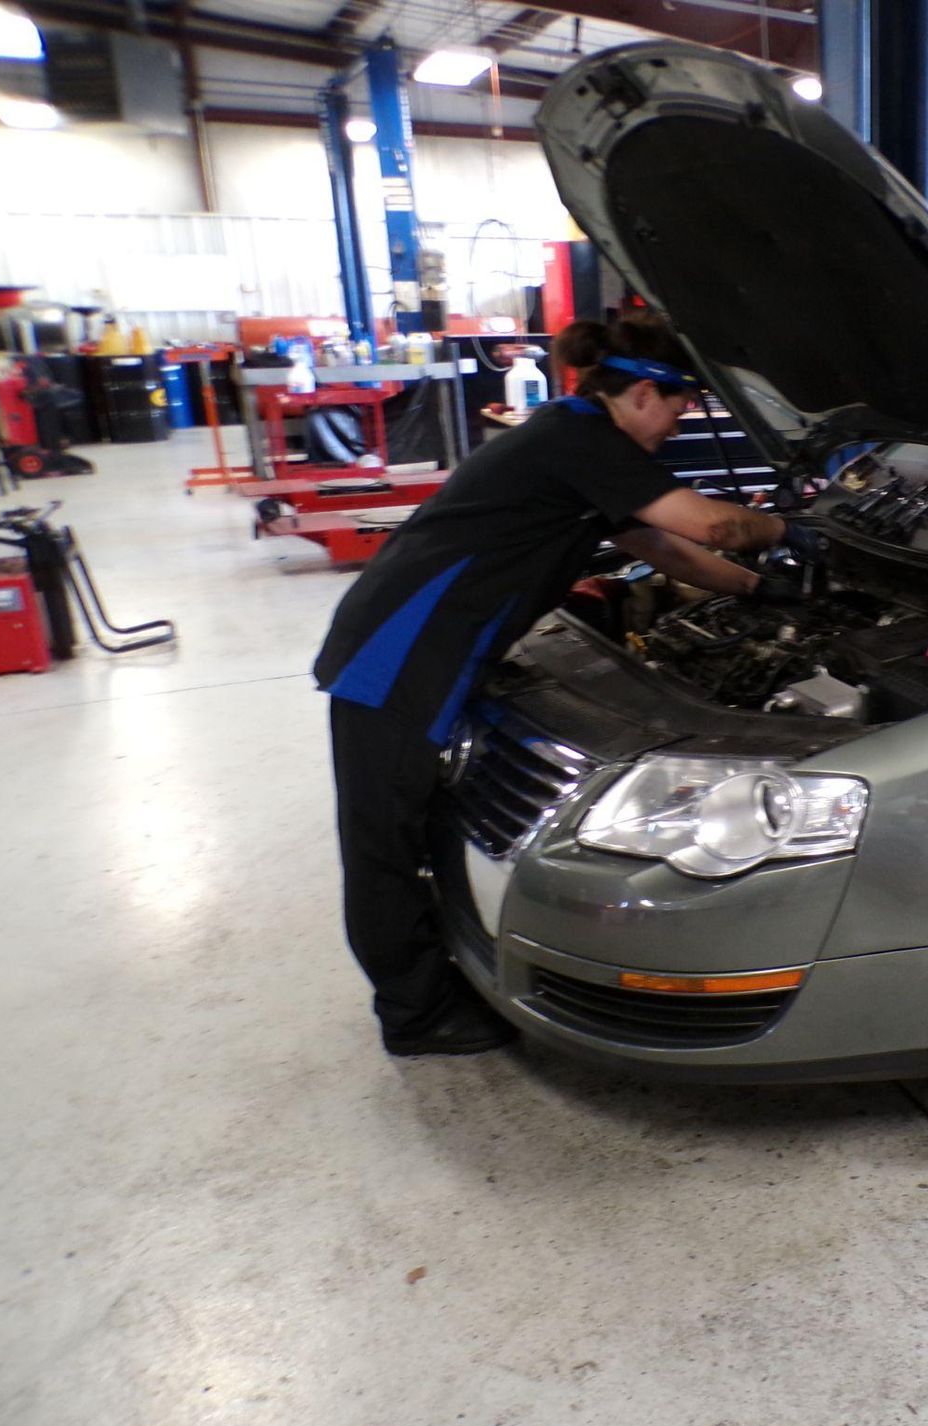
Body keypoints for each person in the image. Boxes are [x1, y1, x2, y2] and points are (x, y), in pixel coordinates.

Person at [315, 313, 810, 1056]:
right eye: (681, 406)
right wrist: (789, 531)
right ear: (646, 393)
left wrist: (755, 592)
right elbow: (708, 526)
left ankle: (430, 979)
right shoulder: (580, 440)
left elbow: (660, 546)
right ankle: (416, 1015)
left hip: (426, 645)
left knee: (407, 824)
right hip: (398, 653)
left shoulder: (580, 439)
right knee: (383, 839)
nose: (680, 424)